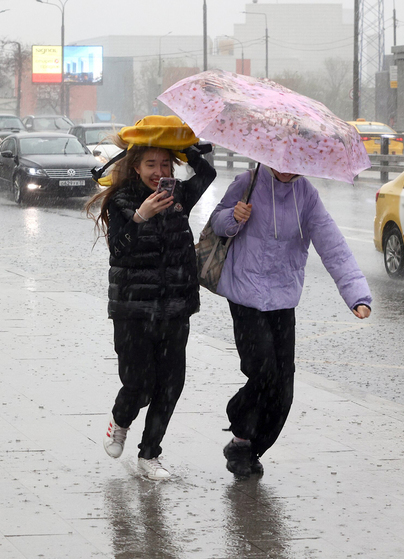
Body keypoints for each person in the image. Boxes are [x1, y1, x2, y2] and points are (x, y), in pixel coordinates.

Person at [210, 165, 372, 478]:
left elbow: (333, 245)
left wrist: (357, 294)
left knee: (284, 389)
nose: (286, 170)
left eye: (294, 166)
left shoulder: (307, 196)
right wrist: (233, 217)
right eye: (281, 163)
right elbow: (216, 222)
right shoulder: (248, 182)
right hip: (245, 294)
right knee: (263, 371)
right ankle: (241, 430)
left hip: (283, 299)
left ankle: (248, 448)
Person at [85, 116, 216, 480]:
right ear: (136, 166)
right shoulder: (122, 200)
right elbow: (120, 252)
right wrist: (141, 217)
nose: (158, 172)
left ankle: (150, 455)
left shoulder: (178, 197)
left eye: (164, 164)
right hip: (133, 309)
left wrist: (185, 149)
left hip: (176, 307)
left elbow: (206, 176)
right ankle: (120, 419)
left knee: (171, 384)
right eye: (150, 165)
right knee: (138, 383)